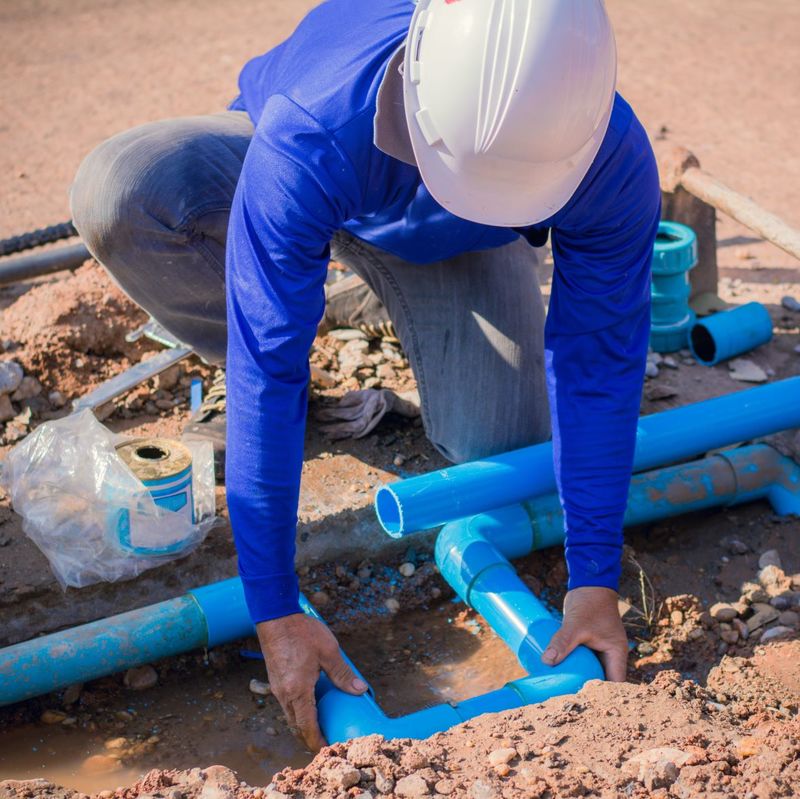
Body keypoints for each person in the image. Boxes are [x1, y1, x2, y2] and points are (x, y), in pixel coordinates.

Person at [71, 0, 660, 751]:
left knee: (501, 443)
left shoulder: (606, 148)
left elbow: (598, 363)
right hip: (318, 172)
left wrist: (595, 580)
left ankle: (329, 281)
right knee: (124, 188)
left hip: (460, 239)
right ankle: (294, 272)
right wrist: (275, 605)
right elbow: (266, 369)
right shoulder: (311, 126)